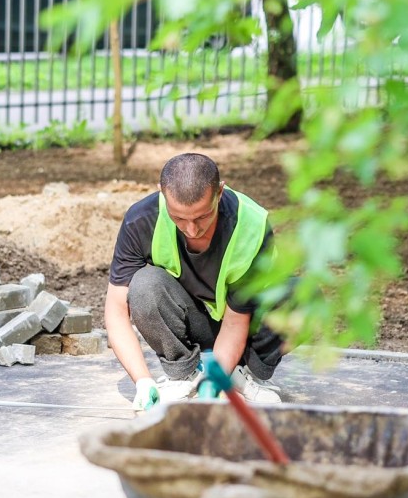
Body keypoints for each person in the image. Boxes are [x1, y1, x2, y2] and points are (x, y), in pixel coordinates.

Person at [105, 153, 288, 410]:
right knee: (145, 284)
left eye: (202, 216)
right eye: (179, 218)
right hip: (190, 322)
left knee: (302, 297)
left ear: (219, 192)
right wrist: (143, 382)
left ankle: (240, 373)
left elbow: (237, 321)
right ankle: (184, 375)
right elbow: (115, 312)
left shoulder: (251, 224)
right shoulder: (141, 220)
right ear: (163, 194)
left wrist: (215, 383)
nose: (191, 229)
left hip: (244, 326)